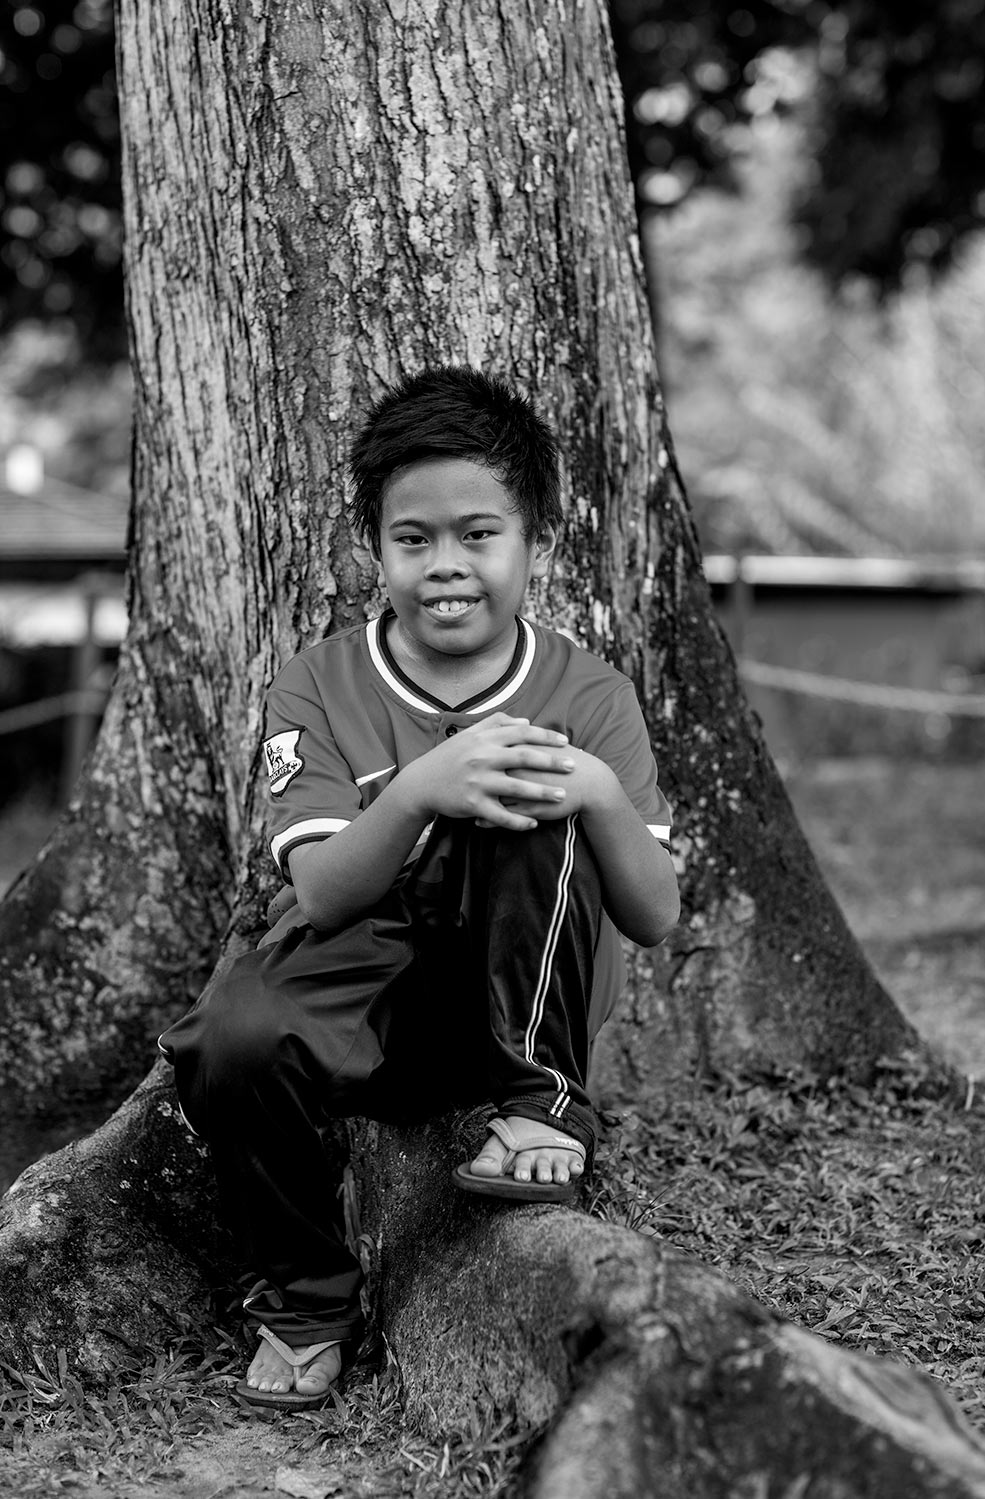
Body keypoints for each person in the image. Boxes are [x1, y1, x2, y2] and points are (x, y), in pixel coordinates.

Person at [158, 365, 680, 1409]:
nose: (447, 565)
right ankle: (305, 1299)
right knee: (226, 1040)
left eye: (479, 534)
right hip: (356, 1019)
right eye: (414, 539)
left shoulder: (587, 692)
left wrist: (598, 796)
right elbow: (325, 888)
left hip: (506, 1026)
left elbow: (653, 915)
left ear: (537, 542)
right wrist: (415, 790)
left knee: (534, 783)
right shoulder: (318, 681)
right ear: (374, 548)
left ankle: (546, 1111)